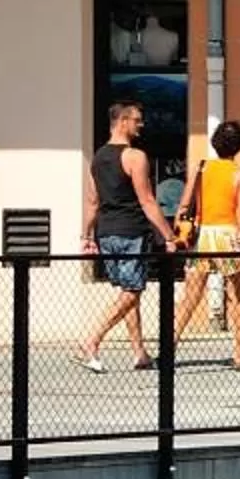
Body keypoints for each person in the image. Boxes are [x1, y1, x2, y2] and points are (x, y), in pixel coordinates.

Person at [80, 101, 179, 372]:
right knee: (133, 290)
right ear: (122, 121)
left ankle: (139, 352)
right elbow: (147, 200)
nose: (141, 124)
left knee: (128, 289)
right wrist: (169, 235)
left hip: (106, 232)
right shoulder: (135, 156)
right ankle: (92, 340)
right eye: (137, 119)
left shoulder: (97, 158)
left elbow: (92, 202)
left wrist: (86, 235)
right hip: (131, 230)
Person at [170, 120, 240, 371]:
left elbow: (184, 205)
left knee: (190, 296)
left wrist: (180, 233)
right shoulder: (239, 173)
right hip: (228, 236)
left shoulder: (200, 168)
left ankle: (168, 347)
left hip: (202, 237)